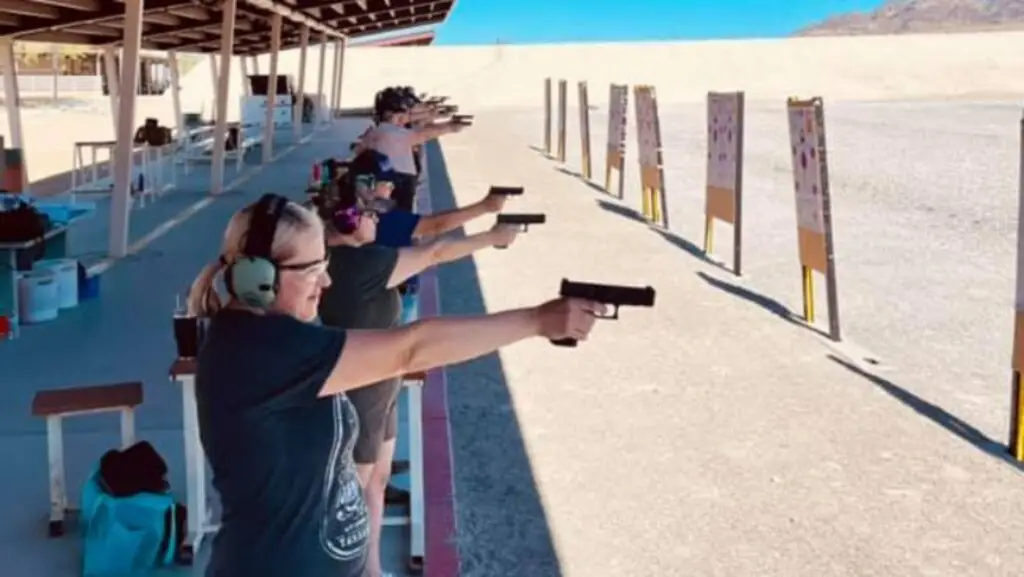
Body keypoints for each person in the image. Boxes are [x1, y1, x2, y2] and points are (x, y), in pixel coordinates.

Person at [187, 193, 601, 577]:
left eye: (324, 265)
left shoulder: (269, 336)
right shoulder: (260, 349)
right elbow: (411, 349)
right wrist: (537, 321)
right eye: (312, 270)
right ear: (258, 278)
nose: (326, 283)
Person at [314, 171, 518, 577]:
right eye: (371, 214)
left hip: (379, 383)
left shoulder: (337, 258)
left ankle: (370, 569)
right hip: (364, 387)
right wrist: (492, 237)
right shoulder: (364, 262)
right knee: (355, 490)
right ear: (351, 221)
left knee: (376, 481)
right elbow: (436, 251)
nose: (378, 221)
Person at [362, 87, 464, 211]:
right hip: (397, 183)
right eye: (400, 116)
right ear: (389, 115)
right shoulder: (390, 132)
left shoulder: (378, 131)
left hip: (388, 182)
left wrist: (441, 118)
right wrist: (450, 127)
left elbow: (418, 127)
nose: (403, 120)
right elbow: (421, 134)